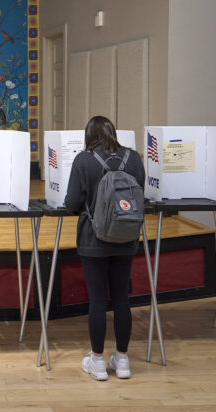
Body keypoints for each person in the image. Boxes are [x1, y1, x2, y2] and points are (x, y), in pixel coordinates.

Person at [64, 116, 145, 381]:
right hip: (126, 237)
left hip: (93, 238)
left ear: (89, 135)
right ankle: (122, 361)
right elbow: (139, 194)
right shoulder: (133, 158)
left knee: (98, 300)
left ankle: (97, 362)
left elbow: (71, 203)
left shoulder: (83, 159)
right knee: (122, 299)